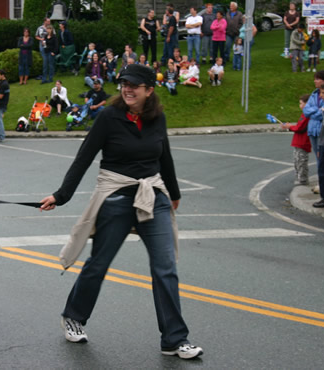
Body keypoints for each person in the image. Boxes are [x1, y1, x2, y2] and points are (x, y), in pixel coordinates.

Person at [39, 64, 203, 360]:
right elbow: (84, 157)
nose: (127, 89)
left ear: (149, 90)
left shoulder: (157, 117)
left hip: (152, 195)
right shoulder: (108, 117)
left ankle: (174, 339)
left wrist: (174, 194)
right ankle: (74, 316)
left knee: (165, 267)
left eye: (134, 85)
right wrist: (61, 195)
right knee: (99, 263)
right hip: (115, 196)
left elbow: (164, 156)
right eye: (124, 84)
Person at [280, 94, 312, 185]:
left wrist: (289, 127)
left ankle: (303, 179)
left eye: (301, 103)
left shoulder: (307, 115)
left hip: (303, 142)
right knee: (297, 161)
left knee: (301, 161)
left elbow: (300, 128)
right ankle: (299, 177)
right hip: (298, 142)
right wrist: (290, 126)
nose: (300, 105)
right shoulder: (304, 114)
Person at [303, 70, 324, 160]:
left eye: (318, 79)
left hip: (322, 129)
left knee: (323, 157)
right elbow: (306, 110)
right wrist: (317, 110)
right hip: (312, 130)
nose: (315, 81)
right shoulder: (314, 93)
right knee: (317, 156)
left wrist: (313, 112)